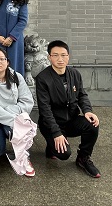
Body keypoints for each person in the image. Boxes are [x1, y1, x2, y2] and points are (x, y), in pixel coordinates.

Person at [34, 40, 101, 178]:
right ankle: (51, 145)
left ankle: (83, 158)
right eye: (55, 55)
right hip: (51, 124)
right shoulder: (43, 78)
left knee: (92, 124)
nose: (60, 59)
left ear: (68, 56)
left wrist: (87, 111)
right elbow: (45, 109)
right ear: (49, 57)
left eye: (63, 55)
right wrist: (56, 133)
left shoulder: (74, 74)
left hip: (71, 119)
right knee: (64, 155)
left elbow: (82, 95)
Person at [0, 47, 35, 176]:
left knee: (22, 128)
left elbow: (27, 102)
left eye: (1, 59)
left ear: (7, 61)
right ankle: (1, 142)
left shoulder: (17, 77)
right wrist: (13, 119)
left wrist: (9, 112)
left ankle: (23, 156)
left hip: (13, 117)